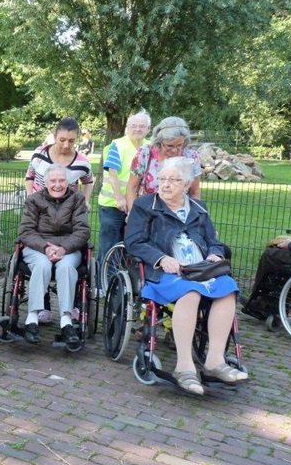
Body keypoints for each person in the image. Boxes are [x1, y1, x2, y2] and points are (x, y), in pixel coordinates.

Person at [124, 157, 248, 395]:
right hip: (164, 271)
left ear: (186, 184)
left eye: (173, 180)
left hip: (200, 269)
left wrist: (214, 254)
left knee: (228, 288)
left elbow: (214, 242)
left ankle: (214, 362)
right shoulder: (144, 205)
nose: (166, 184)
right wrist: (161, 258)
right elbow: (134, 242)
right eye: (162, 179)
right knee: (190, 291)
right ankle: (184, 366)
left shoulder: (198, 210)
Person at [24, 117, 93, 323]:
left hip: (67, 210)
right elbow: (29, 176)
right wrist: (31, 198)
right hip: (39, 208)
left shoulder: (81, 162)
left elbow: (89, 181)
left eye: (71, 141)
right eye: (62, 139)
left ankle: (67, 314)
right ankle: (39, 310)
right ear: (55, 136)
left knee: (65, 265)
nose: (66, 145)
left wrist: (85, 201)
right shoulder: (40, 154)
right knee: (42, 263)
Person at [17, 164, 90, 346]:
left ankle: (66, 321)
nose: (57, 185)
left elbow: (83, 231)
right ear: (45, 182)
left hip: (69, 248)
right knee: (42, 265)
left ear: (69, 182)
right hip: (38, 246)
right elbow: (26, 231)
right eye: (53, 180)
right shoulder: (34, 200)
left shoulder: (77, 200)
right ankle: (32, 319)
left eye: (62, 180)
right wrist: (45, 247)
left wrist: (64, 248)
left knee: (66, 266)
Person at [97, 109, 151, 286]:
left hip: (137, 206)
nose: (137, 129)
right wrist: (120, 198)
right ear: (127, 127)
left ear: (148, 129)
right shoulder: (117, 145)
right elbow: (112, 174)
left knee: (131, 244)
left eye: (142, 126)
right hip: (112, 204)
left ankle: (125, 283)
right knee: (109, 244)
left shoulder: (150, 146)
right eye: (133, 125)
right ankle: (103, 283)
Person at [126, 116, 202, 211]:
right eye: (169, 145)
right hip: (147, 214)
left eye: (179, 145)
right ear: (159, 142)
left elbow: (194, 192)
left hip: (178, 215)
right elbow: (132, 188)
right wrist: (133, 216)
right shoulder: (145, 153)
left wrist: (196, 217)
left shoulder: (191, 157)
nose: (174, 150)